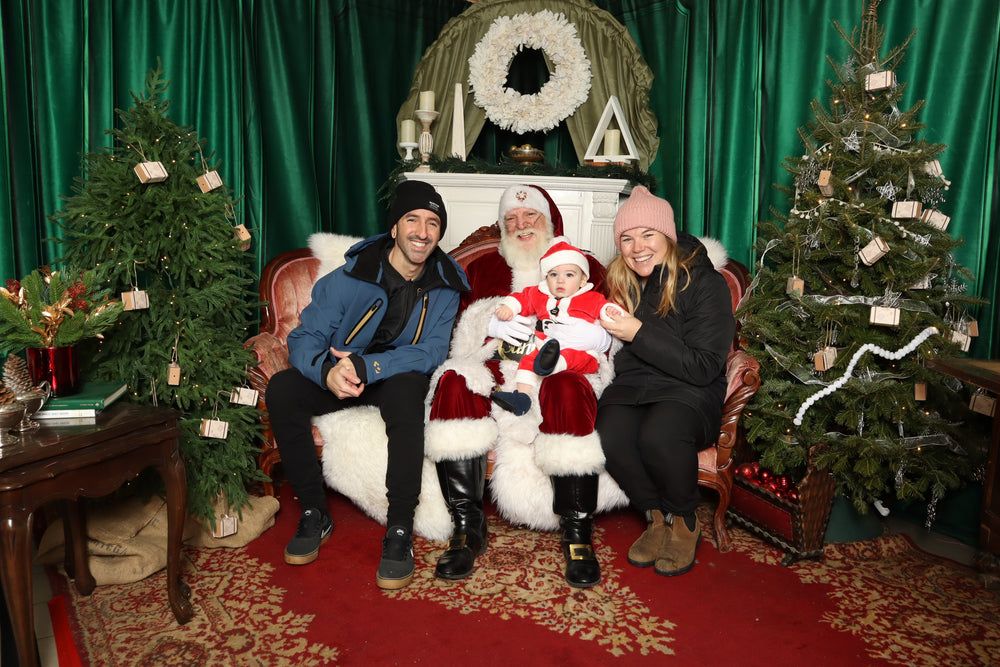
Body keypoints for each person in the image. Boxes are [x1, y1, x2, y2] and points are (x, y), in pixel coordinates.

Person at [265, 180, 468, 590]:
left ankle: (399, 530)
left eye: (432, 223)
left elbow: (431, 351)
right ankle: (314, 512)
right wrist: (327, 373)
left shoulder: (446, 283)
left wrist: (369, 364)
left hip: (392, 375)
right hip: (340, 370)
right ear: (394, 227)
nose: (422, 232)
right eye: (412, 219)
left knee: (410, 393)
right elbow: (304, 339)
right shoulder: (349, 277)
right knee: (282, 389)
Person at [424, 183, 623, 589]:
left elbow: (610, 326)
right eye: (510, 220)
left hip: (563, 369)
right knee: (453, 380)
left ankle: (577, 531)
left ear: (549, 221)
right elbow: (457, 336)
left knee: (566, 387)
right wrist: (488, 323)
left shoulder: (584, 266)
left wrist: (585, 338)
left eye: (529, 216)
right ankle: (467, 525)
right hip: (499, 368)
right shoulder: (483, 268)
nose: (520, 225)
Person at [596, 186, 736, 577]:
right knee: (612, 434)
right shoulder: (623, 280)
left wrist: (637, 331)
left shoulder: (706, 283)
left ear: (668, 237)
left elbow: (704, 366)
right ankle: (656, 517)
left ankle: (685, 520)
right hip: (636, 384)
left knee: (659, 435)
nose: (637, 247)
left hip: (691, 389)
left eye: (647, 235)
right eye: (627, 238)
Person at [491, 240, 624, 416]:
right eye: (553, 275)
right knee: (527, 361)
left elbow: (605, 310)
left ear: (583, 280)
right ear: (546, 278)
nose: (560, 280)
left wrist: (611, 312)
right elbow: (523, 298)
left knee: (572, 356)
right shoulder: (541, 295)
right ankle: (521, 398)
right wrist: (509, 307)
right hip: (544, 348)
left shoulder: (590, 298)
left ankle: (551, 364)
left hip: (580, 352)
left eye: (569, 275)